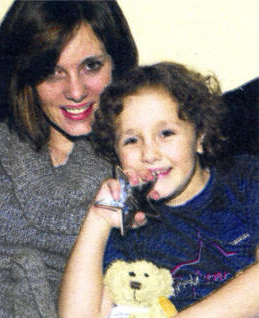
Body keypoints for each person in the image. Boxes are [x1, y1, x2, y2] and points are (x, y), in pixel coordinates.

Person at [0, 1, 138, 317]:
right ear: (25, 74)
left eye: (91, 66)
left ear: (117, 63)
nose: (75, 91)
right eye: (52, 71)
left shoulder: (138, 158)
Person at [59, 62, 259, 317]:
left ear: (200, 136)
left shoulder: (245, 178)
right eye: (131, 140)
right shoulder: (129, 228)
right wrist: (97, 220)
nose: (149, 154)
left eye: (165, 133)